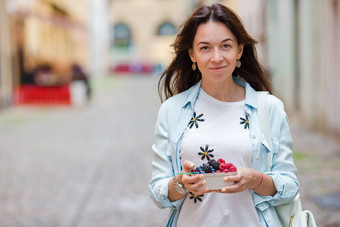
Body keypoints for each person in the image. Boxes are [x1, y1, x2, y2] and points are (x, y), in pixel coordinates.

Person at [149, 3, 299, 227]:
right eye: (205, 48)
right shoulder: (172, 110)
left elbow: (290, 186)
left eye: (225, 46)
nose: (216, 57)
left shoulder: (269, 108)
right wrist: (181, 184)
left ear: (239, 49)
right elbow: (158, 192)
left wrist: (256, 180)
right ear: (192, 54)